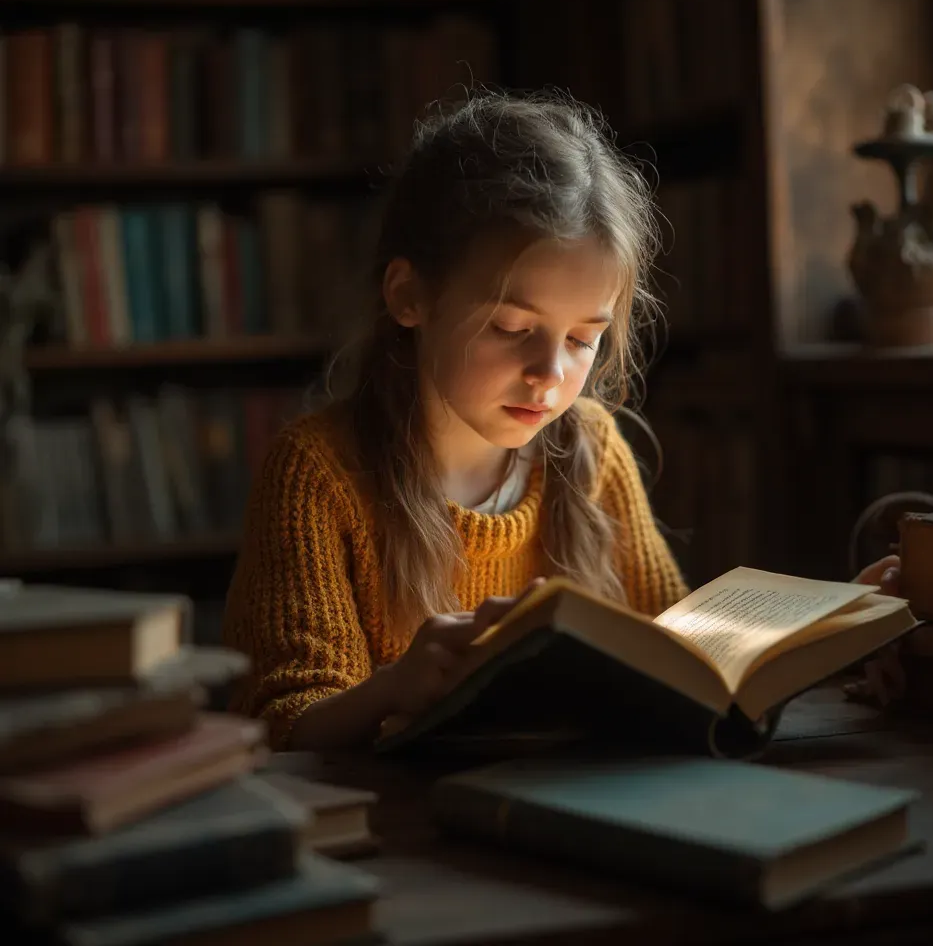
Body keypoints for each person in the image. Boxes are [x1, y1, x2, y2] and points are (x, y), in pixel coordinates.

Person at [222, 89, 898, 752]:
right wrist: (394, 687)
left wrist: (824, 638)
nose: (551, 375)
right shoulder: (319, 473)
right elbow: (281, 725)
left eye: (583, 339)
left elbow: (677, 653)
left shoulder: (591, 448)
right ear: (408, 296)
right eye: (512, 326)